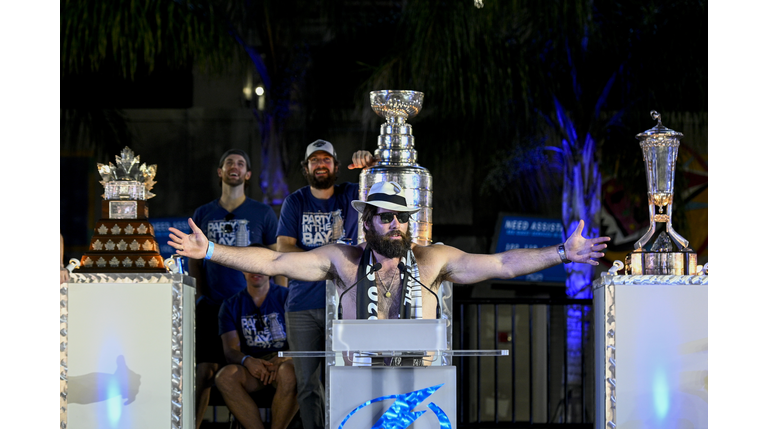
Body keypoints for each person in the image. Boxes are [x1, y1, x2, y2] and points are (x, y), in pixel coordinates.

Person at [169, 176, 610, 331]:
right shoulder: (342, 260)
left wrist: (562, 253)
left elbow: (502, 263)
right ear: (368, 223)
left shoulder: (434, 259)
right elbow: (273, 261)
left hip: (422, 380)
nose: (395, 225)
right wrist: (210, 251)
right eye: (386, 218)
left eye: (401, 218)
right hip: (356, 381)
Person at [274, 140, 362, 429]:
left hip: (346, 304)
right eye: (314, 160)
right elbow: (285, 248)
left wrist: (371, 165)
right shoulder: (295, 201)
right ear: (306, 167)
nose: (320, 165)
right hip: (302, 305)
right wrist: (329, 261)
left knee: (347, 378)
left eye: (326, 160)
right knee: (307, 384)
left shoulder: (351, 194)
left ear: (336, 166)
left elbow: (378, 189)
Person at [190, 148, 279, 429]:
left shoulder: (262, 213)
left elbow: (278, 260)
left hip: (249, 306)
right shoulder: (204, 213)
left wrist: (280, 298)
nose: (235, 167)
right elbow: (195, 262)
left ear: (248, 174)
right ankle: (191, 424)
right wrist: (202, 295)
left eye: (241, 163)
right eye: (228, 162)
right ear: (220, 172)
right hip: (214, 305)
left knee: (251, 367)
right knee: (204, 371)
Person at [216, 252, 298, 429]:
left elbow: (304, 341)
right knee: (224, 377)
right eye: (250, 265)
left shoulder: (288, 297)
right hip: (252, 368)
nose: (256, 270)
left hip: (282, 363)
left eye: (260, 265)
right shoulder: (230, 305)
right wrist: (248, 361)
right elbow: (230, 351)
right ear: (242, 271)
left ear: (270, 269)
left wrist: (285, 357)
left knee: (291, 372)